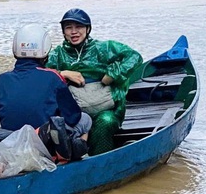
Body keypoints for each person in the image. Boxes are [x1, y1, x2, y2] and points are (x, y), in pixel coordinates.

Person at [46, 9, 143, 156]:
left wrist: (112, 74)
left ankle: (100, 160)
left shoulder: (102, 48)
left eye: (78, 27)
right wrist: (63, 74)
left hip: (105, 109)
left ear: (87, 29)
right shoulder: (57, 54)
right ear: (63, 31)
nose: (74, 32)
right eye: (68, 27)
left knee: (106, 121)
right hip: (72, 112)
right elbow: (43, 76)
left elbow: (134, 57)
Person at [0, 24, 91, 162]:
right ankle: (74, 158)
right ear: (45, 52)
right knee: (85, 119)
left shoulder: (3, 79)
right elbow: (73, 116)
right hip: (45, 143)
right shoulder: (53, 77)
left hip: (12, 140)